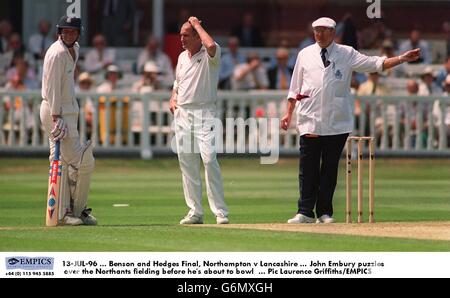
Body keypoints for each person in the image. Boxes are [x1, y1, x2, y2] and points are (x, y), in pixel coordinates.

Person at [280, 17, 420, 224]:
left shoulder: (346, 53)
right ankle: (305, 212)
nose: (319, 34)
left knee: (329, 169)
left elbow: (375, 64)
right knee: (308, 168)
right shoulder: (304, 54)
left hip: (337, 121)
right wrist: (288, 113)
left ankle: (325, 212)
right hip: (309, 119)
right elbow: (295, 88)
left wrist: (401, 58)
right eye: (316, 31)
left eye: (323, 31)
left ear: (333, 32)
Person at [170, 16, 229, 225]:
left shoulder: (210, 54)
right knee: (187, 163)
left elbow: (211, 44)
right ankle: (195, 211)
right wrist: (173, 97)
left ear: (197, 35)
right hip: (183, 114)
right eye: (181, 35)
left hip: (205, 113)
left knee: (210, 160)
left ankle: (220, 212)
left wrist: (196, 24)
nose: (182, 39)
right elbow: (177, 82)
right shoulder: (181, 57)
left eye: (186, 35)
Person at [40, 16, 96, 226]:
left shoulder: (75, 48)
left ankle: (66, 212)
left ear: (78, 34)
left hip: (68, 112)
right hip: (58, 113)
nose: (68, 34)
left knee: (63, 162)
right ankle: (73, 212)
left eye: (72, 32)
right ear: (59, 32)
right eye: (65, 31)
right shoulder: (57, 53)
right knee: (84, 162)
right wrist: (56, 118)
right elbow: (53, 87)